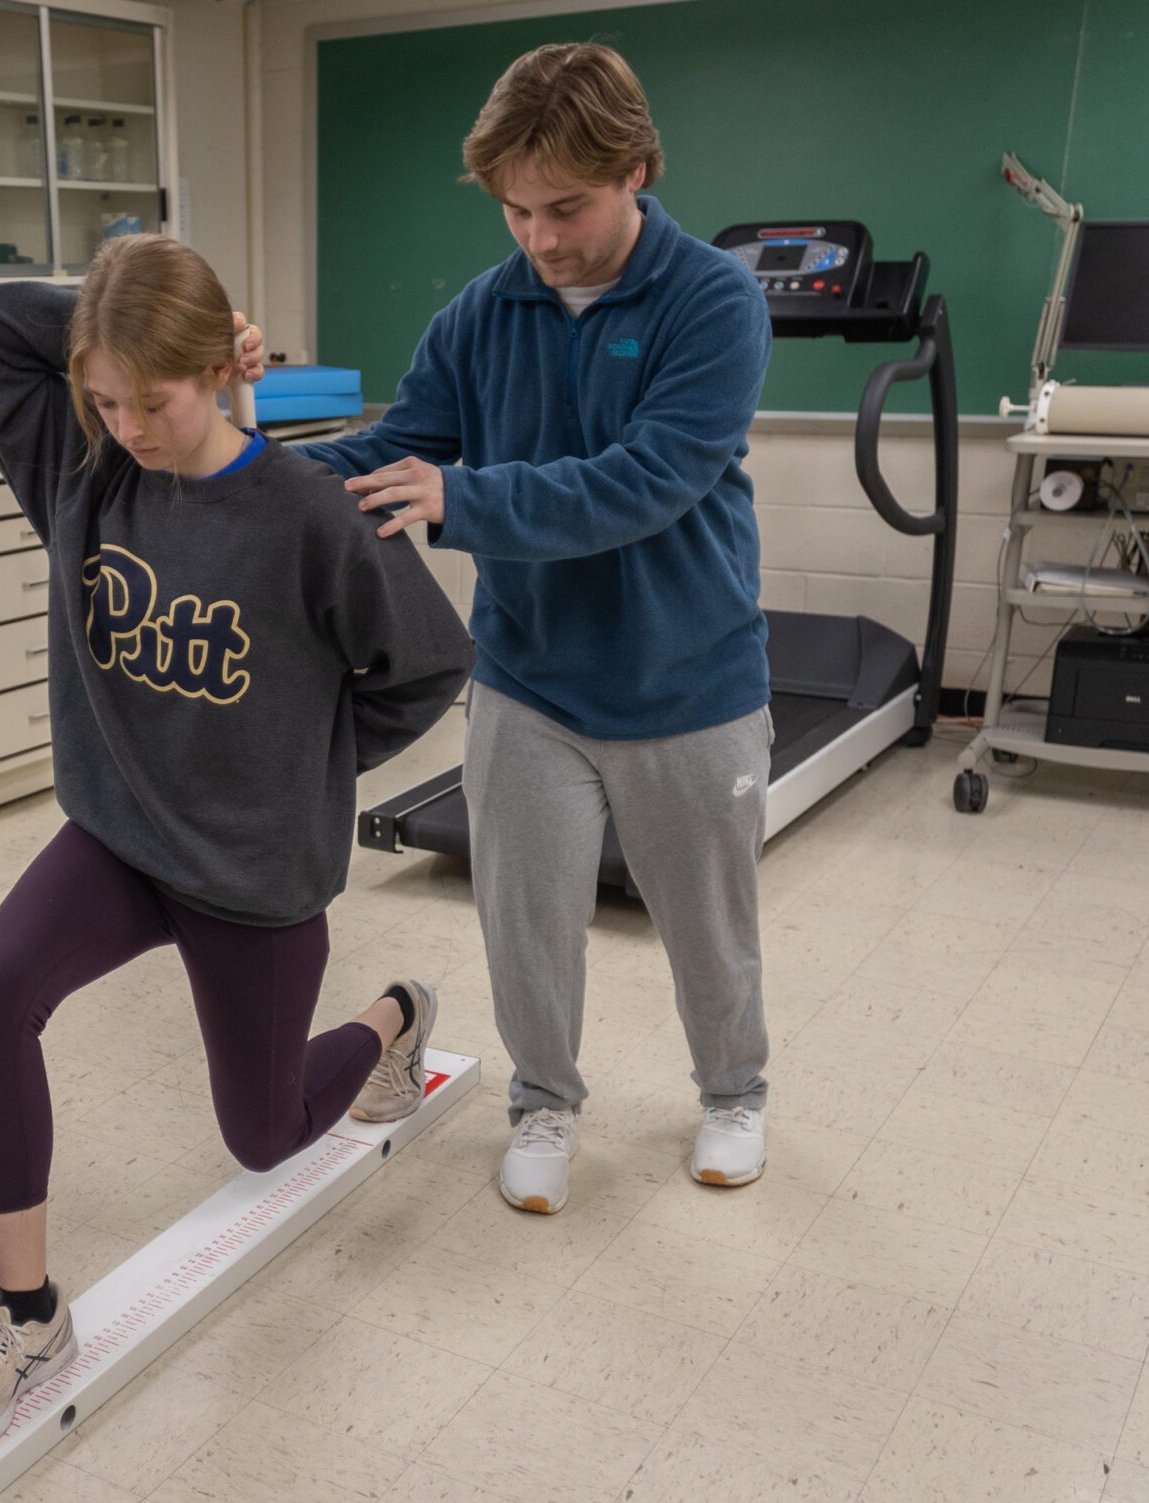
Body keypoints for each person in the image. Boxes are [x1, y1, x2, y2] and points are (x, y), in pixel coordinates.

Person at [0, 236, 474, 1453]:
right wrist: (123, 308)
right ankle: (26, 1318)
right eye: (102, 398)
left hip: (252, 871)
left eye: (150, 399)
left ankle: (390, 1016)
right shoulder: (79, 469)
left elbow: (429, 669)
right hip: (118, 838)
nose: (125, 425)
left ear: (218, 371)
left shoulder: (312, 512)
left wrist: (301, 767)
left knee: (264, 1137)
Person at [281, 42, 778, 1212]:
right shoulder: (481, 311)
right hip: (527, 682)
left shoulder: (714, 299)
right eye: (517, 211)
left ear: (636, 171)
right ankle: (542, 1102)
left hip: (686, 682)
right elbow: (405, 444)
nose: (542, 238)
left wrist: (462, 500)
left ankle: (732, 1092)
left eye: (567, 207)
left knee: (705, 929)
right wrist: (249, 470)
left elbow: (644, 480)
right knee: (525, 922)